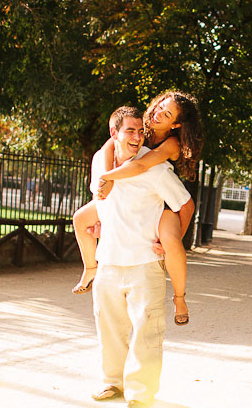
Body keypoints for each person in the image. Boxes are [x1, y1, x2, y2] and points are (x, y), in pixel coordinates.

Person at [88, 106, 195, 408]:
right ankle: (112, 383)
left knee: (146, 331)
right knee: (108, 327)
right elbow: (101, 203)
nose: (136, 137)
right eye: (129, 131)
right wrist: (100, 224)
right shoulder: (101, 165)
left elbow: (185, 204)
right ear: (115, 135)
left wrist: (172, 239)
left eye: (139, 130)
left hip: (145, 264)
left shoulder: (155, 168)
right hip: (107, 261)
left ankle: (140, 395)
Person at [71, 91, 203, 328]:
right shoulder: (140, 126)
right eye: (160, 105)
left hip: (161, 202)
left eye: (167, 113)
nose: (158, 113)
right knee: (81, 219)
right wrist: (102, 198)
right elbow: (109, 146)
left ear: (175, 124)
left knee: (172, 243)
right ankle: (91, 268)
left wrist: (110, 178)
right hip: (129, 196)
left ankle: (180, 298)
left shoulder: (171, 143)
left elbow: (142, 165)